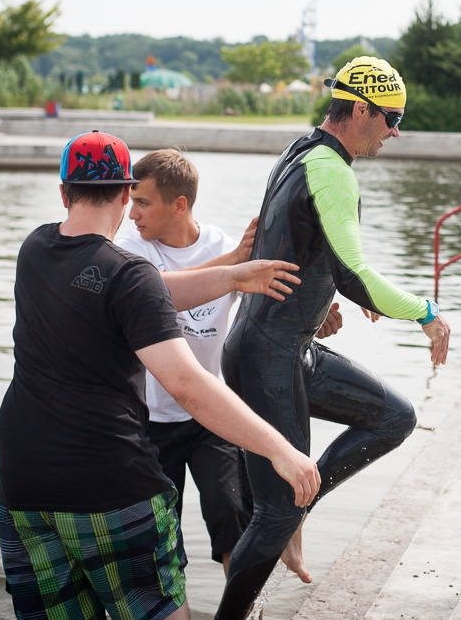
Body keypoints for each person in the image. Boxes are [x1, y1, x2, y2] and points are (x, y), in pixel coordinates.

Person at [0, 130, 321, 620]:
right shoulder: (128, 274)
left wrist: (233, 275)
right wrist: (280, 449)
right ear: (125, 194)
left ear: (63, 192)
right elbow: (185, 383)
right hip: (108, 485)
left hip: (24, 487)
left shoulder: (34, 250)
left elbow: (146, 291)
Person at [214, 57, 453, 620]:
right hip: (269, 356)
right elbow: (355, 273)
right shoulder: (332, 170)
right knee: (274, 514)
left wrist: (327, 294)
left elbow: (303, 244)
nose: (395, 132)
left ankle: (301, 496)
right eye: (392, 118)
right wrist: (426, 313)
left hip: (278, 347)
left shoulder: (299, 151)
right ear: (362, 109)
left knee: (393, 417)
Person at [114, 149, 344, 576]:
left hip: (208, 414)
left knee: (232, 514)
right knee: (154, 536)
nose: (132, 213)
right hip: (147, 420)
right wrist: (235, 264)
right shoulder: (130, 248)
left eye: (142, 202)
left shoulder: (222, 244)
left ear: (179, 205)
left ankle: (240, 603)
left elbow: (269, 307)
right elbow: (153, 290)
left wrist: (314, 319)